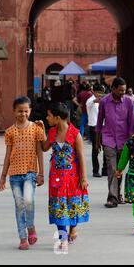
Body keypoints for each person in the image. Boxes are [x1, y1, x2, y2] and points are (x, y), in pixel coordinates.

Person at [38, 102, 89, 252]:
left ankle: (73, 227)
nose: (47, 118)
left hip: (72, 177)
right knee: (59, 208)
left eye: (49, 116)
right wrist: (41, 131)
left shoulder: (75, 133)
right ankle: (63, 238)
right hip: (56, 177)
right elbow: (44, 147)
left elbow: (80, 156)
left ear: (58, 117)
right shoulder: (52, 132)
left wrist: (83, 178)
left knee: (72, 206)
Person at [0, 97, 45, 250]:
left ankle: (30, 227)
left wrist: (41, 173)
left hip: (30, 172)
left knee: (29, 202)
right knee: (19, 205)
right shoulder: (10, 132)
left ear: (30, 111)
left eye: (26, 111)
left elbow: (40, 151)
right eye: (19, 111)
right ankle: (22, 237)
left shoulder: (36, 128)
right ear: (14, 111)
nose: (22, 114)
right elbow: (7, 155)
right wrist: (3, 177)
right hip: (15, 175)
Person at [96, 77, 134, 208]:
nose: (123, 93)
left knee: (119, 169)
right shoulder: (104, 102)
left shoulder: (129, 102)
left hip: (124, 140)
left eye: (124, 90)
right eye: (120, 90)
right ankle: (112, 198)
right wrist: (97, 141)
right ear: (113, 89)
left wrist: (132, 141)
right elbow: (99, 122)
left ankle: (118, 194)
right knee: (112, 168)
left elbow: (132, 122)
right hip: (108, 139)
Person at [86, 84, 107, 177]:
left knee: (106, 148)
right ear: (93, 92)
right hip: (93, 127)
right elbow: (90, 103)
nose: (99, 94)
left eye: (101, 93)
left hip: (103, 126)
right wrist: (96, 100)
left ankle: (105, 170)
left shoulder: (104, 101)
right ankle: (95, 170)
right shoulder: (90, 100)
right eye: (98, 92)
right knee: (95, 149)